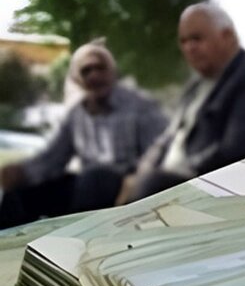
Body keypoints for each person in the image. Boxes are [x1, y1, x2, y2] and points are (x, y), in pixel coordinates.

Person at [114, 2, 245, 204]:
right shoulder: (195, 86)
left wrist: (182, 170)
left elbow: (239, 149)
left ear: (227, 36)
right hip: (167, 179)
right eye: (184, 41)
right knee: (101, 179)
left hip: (211, 187)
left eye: (197, 39)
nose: (189, 48)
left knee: (151, 185)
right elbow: (169, 136)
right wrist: (138, 173)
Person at [0, 42, 167, 228]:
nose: (94, 75)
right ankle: (8, 240)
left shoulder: (140, 106)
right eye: (86, 70)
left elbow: (161, 151)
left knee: (96, 177)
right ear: (78, 78)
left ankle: (78, 235)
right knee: (18, 189)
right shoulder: (76, 114)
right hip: (86, 188)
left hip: (125, 186)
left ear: (112, 72)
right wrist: (22, 172)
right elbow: (53, 158)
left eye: (100, 68)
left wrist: (136, 180)